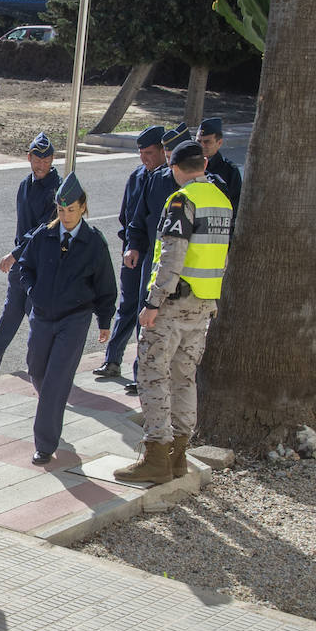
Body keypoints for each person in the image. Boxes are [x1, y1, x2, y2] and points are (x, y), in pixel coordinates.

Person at [114, 141, 232, 484]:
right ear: (205, 163)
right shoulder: (221, 201)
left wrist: (153, 302)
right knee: (184, 378)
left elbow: (172, 256)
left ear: (174, 166)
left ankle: (156, 456)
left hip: (173, 303)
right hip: (203, 304)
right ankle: (178, 456)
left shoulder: (182, 200)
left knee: (152, 375)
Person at [15, 172, 117, 464]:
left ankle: (45, 444)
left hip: (75, 319)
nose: (67, 215)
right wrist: (33, 292)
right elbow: (26, 266)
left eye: (72, 209)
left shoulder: (93, 242)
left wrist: (105, 320)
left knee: (56, 381)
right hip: (43, 316)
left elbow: (106, 284)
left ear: (83, 207)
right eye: (61, 210)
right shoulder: (44, 235)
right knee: (36, 370)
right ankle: (51, 409)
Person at [0, 132, 61, 379]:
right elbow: (23, 226)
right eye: (37, 159)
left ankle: (44, 366)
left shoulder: (56, 189)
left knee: (36, 317)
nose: (41, 165)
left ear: (52, 159)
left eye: (46, 160)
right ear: (29, 157)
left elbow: (43, 228)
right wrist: (18, 254)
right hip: (22, 262)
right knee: (10, 314)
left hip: (39, 264)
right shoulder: (25, 184)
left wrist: (15, 254)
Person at [93, 125, 165, 380]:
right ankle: (112, 360)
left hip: (153, 255)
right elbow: (127, 215)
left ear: (163, 151)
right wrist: (130, 245)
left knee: (143, 315)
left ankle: (139, 373)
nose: (145, 158)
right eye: (141, 153)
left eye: (149, 153)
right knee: (126, 307)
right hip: (133, 253)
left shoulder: (167, 179)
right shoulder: (137, 176)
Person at [120, 123, 186, 396]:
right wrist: (133, 245)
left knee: (177, 327)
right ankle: (141, 376)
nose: (169, 159)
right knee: (145, 319)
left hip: (188, 268)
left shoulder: (209, 183)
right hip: (154, 261)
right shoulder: (156, 180)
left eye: (172, 153)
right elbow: (138, 219)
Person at [196, 117, 242, 214]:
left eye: (207, 142)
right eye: (199, 141)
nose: (202, 146)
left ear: (219, 143)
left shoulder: (229, 170)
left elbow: (235, 204)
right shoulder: (189, 165)